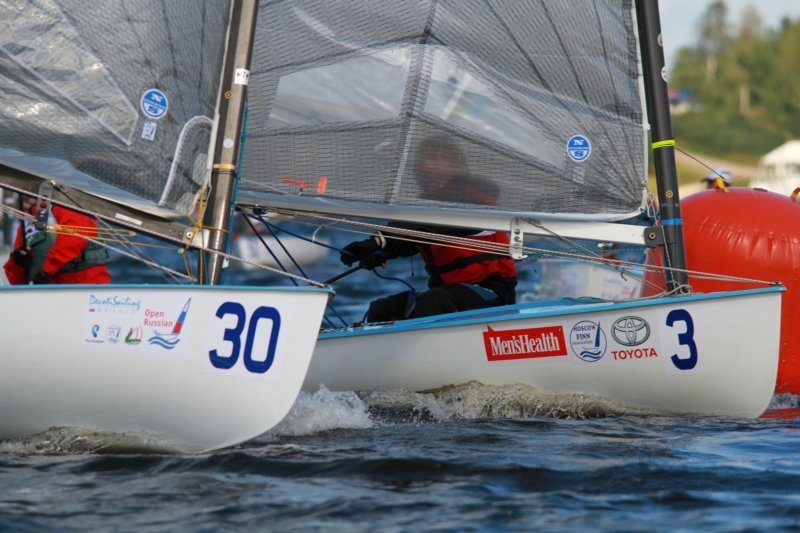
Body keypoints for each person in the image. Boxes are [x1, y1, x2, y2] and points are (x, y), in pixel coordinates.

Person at [340, 134, 517, 322]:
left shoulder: (472, 200)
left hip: (492, 293)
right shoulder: (426, 208)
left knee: (433, 301)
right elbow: (411, 240)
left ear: (455, 167)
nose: (425, 167)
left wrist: (380, 240)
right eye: (421, 162)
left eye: (434, 161)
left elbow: (431, 227)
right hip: (450, 292)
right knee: (382, 309)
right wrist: (379, 253)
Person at [3, 194, 111, 284]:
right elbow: (16, 282)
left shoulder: (65, 206)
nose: (25, 205)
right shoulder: (24, 227)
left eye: (28, 198)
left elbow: (73, 240)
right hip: (49, 292)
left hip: (84, 285)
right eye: (22, 199)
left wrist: (45, 271)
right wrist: (17, 262)